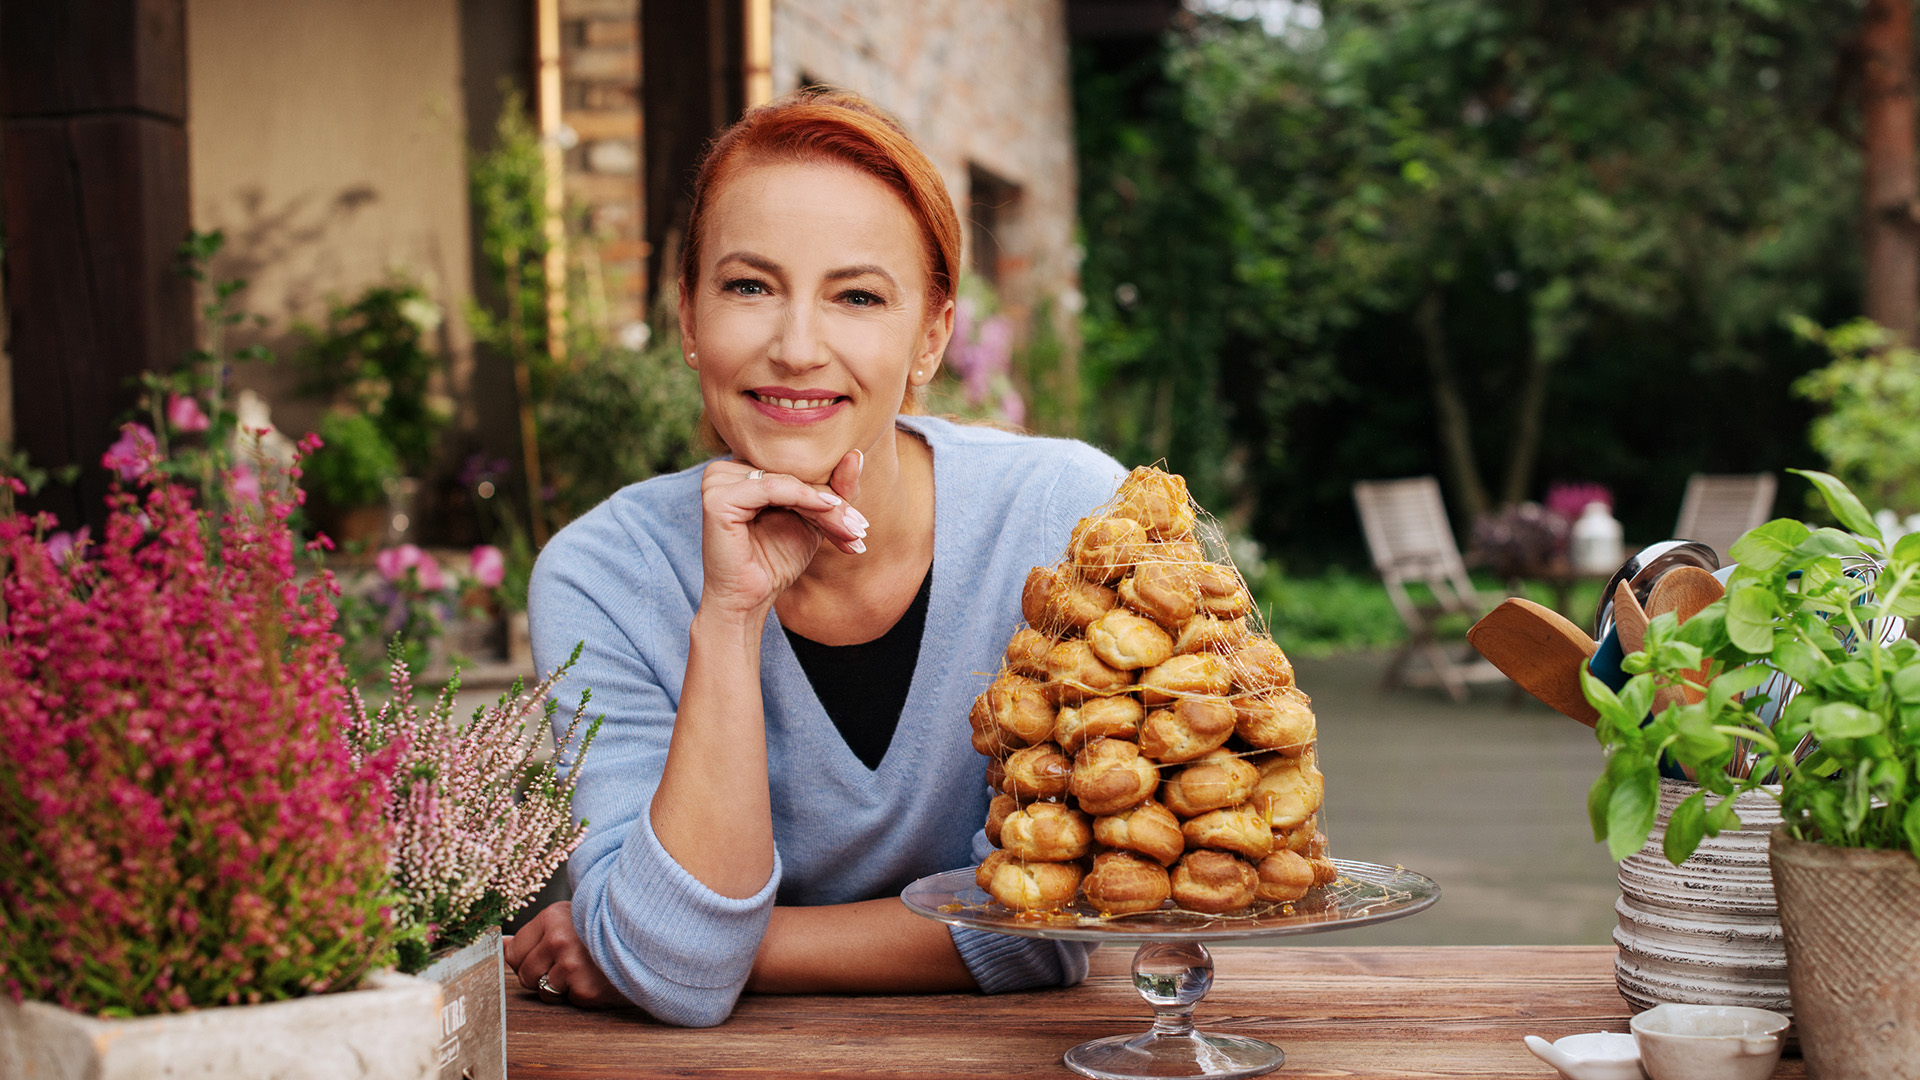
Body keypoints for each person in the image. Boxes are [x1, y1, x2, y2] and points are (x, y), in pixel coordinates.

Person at [504, 88, 1125, 1027]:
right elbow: (676, 974)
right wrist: (730, 613)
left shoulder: (1060, 520)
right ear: (687, 316)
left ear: (930, 337)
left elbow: (1063, 916)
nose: (796, 347)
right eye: (749, 286)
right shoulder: (602, 575)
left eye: (858, 297)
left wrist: (680, 946)